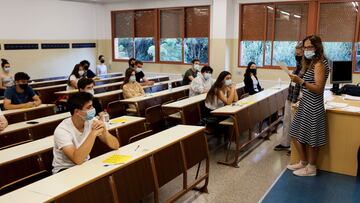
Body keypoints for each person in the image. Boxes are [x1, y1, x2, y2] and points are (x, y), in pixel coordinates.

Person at [287, 35, 330, 176]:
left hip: (314, 105)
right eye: (305, 47)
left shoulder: (320, 64)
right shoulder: (311, 63)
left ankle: (311, 168)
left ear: (317, 47)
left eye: (310, 47)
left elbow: (318, 88)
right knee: (294, 133)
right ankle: (304, 162)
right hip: (305, 103)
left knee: (312, 138)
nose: (306, 50)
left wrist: (301, 82)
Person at [52, 92, 119, 173]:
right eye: (89, 107)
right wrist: (93, 134)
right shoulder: (62, 131)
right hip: (64, 170)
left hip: (85, 164)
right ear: (77, 112)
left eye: (92, 106)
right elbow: (77, 160)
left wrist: (105, 131)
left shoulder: (92, 121)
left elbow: (115, 146)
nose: (93, 109)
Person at [274, 42, 304, 152]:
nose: (297, 56)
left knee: (295, 123)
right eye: (295, 53)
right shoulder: (298, 66)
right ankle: (285, 143)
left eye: (299, 54)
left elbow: (304, 83)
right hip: (290, 96)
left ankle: (294, 148)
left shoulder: (307, 67)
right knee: (286, 121)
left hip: (298, 99)